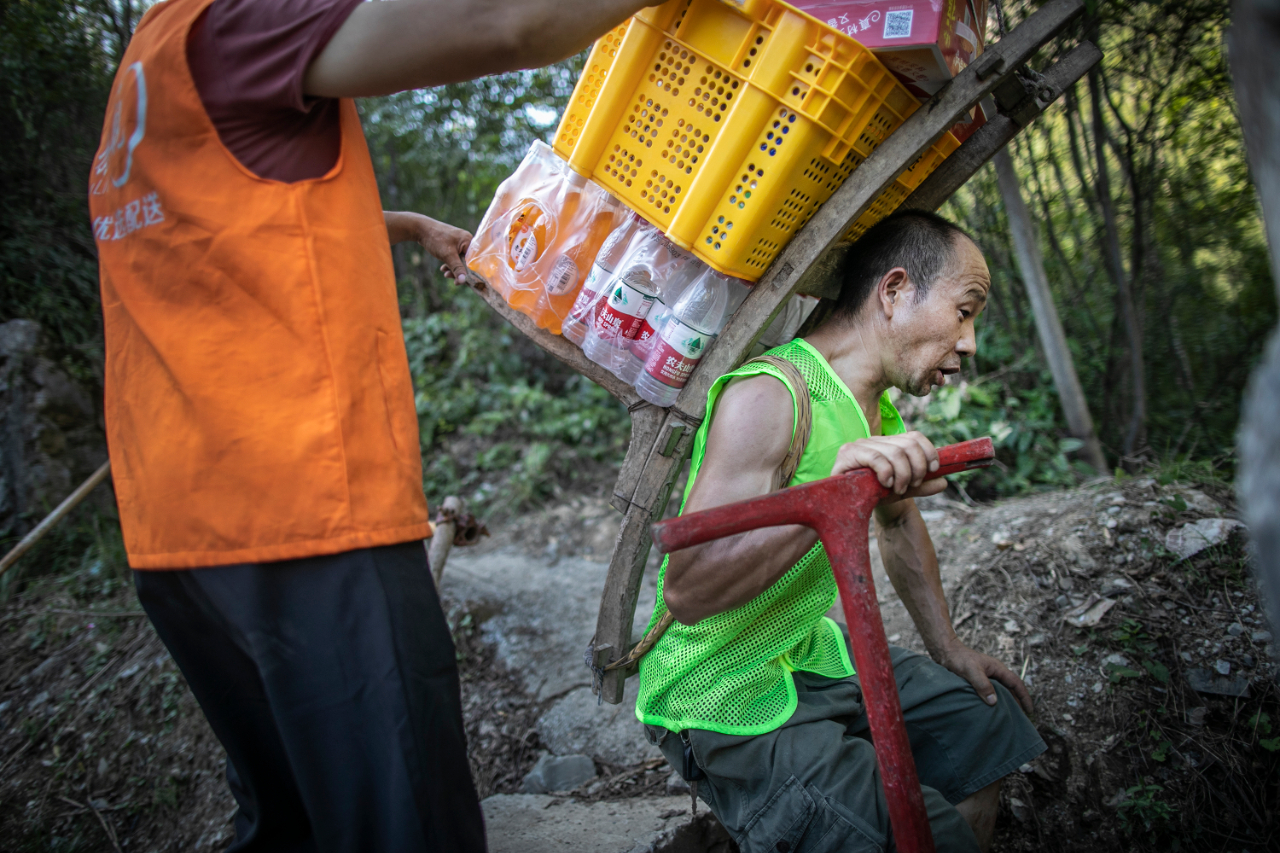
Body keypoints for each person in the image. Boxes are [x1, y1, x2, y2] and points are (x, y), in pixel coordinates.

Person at [87, 1, 651, 850]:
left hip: (180, 531)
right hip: (304, 515)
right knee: (404, 826)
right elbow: (505, 22)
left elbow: (206, 220)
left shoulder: (155, 52)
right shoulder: (241, 23)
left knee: (291, 821)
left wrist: (401, 225)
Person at [636, 211, 1046, 853]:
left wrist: (949, 648)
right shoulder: (771, 394)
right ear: (894, 290)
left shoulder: (871, 404)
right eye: (965, 311)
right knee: (925, 838)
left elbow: (900, 523)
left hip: (808, 656)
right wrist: (825, 494)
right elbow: (687, 591)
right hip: (721, 690)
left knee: (985, 725)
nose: (969, 343)